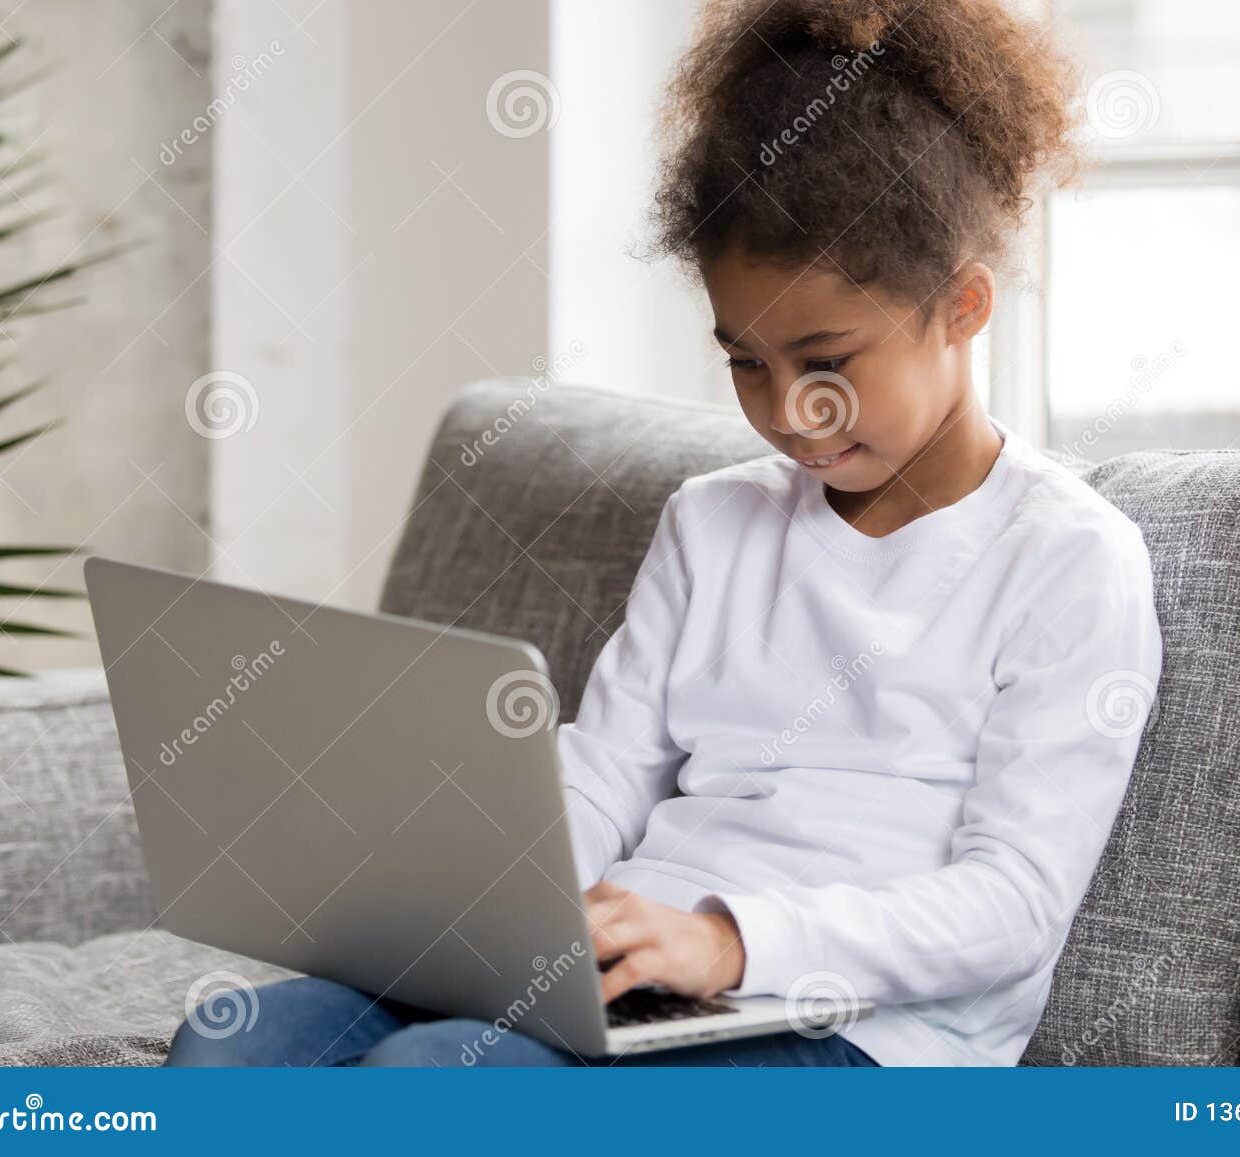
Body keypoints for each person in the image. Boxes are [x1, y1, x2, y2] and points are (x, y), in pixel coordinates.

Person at [168, 0, 1163, 1068]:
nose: (789, 410)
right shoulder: (713, 521)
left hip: (853, 1029)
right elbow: (607, 767)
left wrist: (730, 941)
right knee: (240, 1043)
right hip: (637, 965)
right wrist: (479, 889)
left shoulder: (1066, 560)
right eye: (746, 361)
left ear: (963, 305)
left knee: (432, 1076)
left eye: (827, 358)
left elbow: (1012, 905)